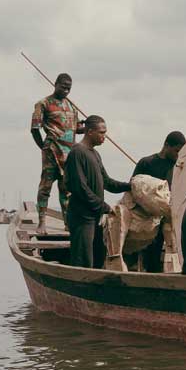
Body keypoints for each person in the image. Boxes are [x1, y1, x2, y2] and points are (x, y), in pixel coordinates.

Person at [62, 115, 130, 268]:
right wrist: (105, 207)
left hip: (95, 217)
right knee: (82, 261)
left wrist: (130, 186)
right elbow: (80, 188)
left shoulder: (95, 154)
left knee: (98, 258)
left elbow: (107, 182)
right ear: (90, 131)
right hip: (82, 218)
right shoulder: (77, 153)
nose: (104, 137)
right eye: (101, 132)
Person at [30, 73, 86, 232]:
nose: (66, 91)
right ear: (55, 84)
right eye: (63, 87)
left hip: (69, 154)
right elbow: (34, 129)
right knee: (45, 187)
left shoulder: (71, 106)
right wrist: (43, 146)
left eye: (69, 88)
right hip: (52, 152)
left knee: (67, 190)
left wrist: (88, 127)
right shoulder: (43, 104)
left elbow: (76, 129)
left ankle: (68, 223)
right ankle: (41, 222)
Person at [125, 131, 186, 272]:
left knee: (156, 258)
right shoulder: (147, 163)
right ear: (166, 145)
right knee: (138, 256)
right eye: (176, 151)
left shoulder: (178, 168)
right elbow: (133, 187)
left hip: (166, 221)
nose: (178, 155)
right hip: (144, 220)